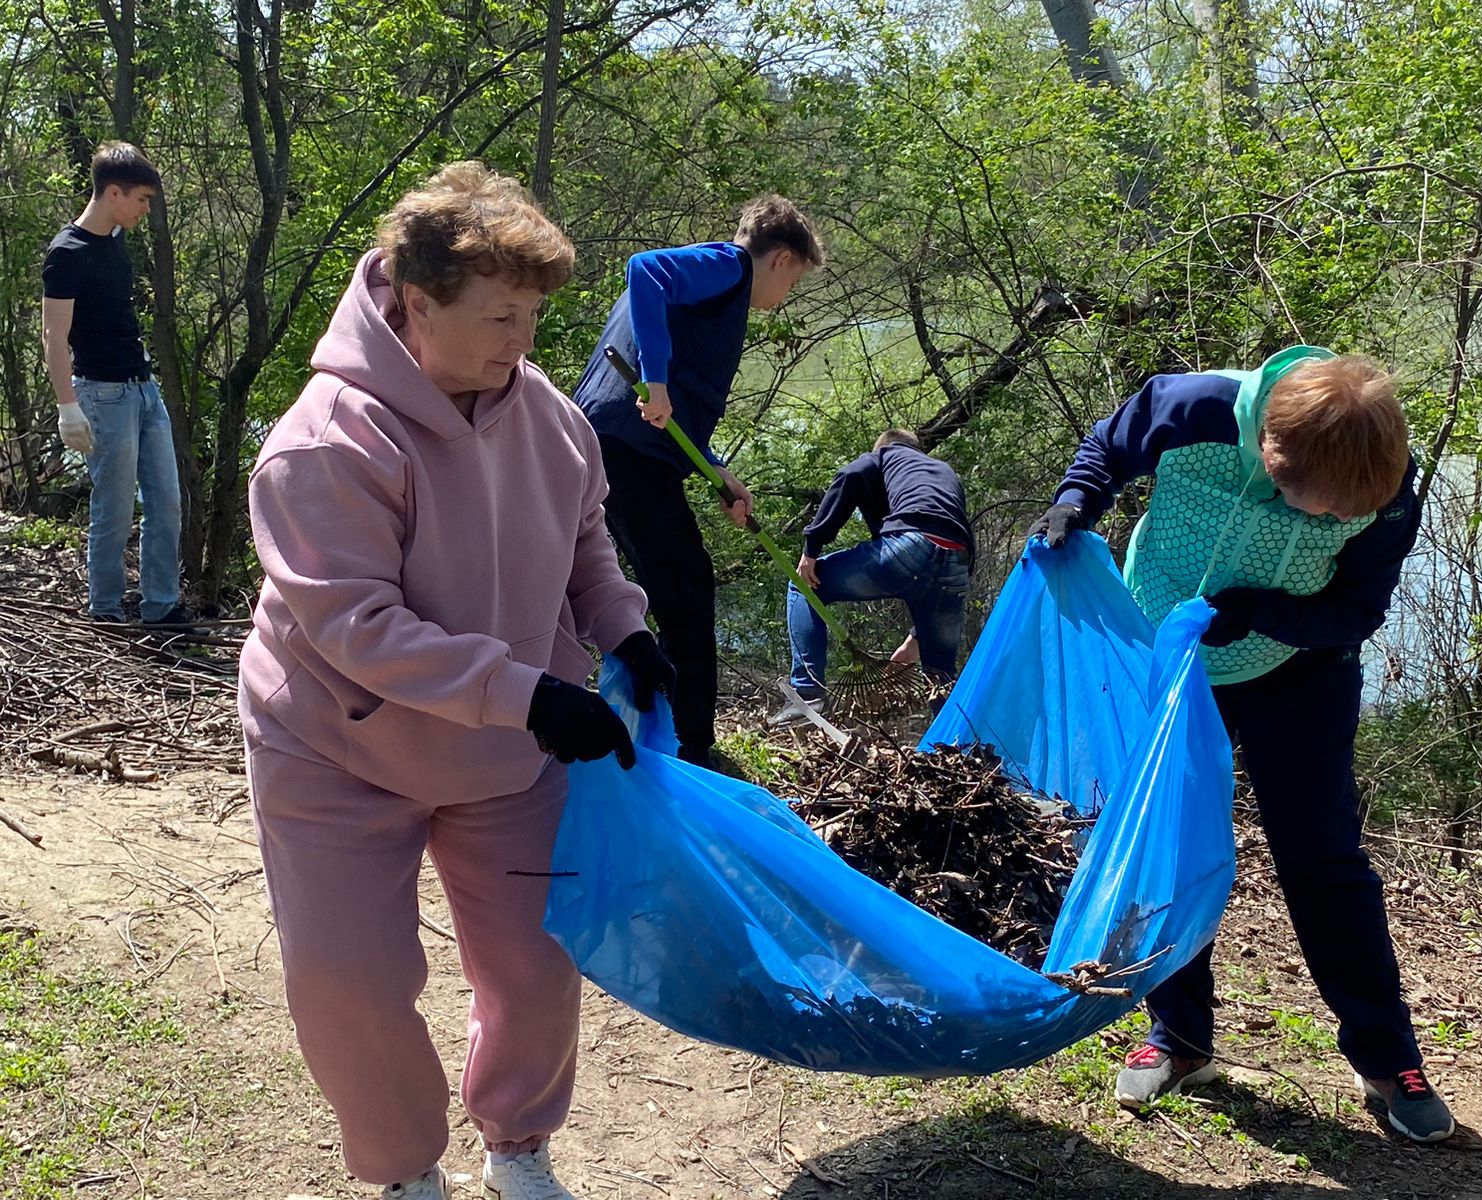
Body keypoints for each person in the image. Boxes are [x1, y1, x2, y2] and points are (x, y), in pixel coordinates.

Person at [239, 162, 675, 1200]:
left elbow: (584, 546)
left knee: (534, 968)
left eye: (530, 316)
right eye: (497, 317)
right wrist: (525, 691)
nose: (520, 341)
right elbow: (354, 625)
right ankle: (402, 1174)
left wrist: (624, 629)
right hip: (336, 749)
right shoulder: (324, 440)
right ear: (412, 301)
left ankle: (516, 1145)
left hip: (505, 752)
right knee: (353, 983)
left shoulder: (547, 417)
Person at [1033, 347, 1454, 1144]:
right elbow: (1108, 447)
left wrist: (1264, 612)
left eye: (1340, 517)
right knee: (1168, 841)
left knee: (1324, 861)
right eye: (1315, 507)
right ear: (1268, 447)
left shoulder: (1385, 483)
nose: (1328, 522)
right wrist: (1075, 503)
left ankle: (1387, 1057)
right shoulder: (1191, 408)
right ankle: (1180, 1037)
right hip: (1171, 655)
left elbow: (1357, 609)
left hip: (1298, 669)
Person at [571, 195, 824, 769]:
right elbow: (645, 268)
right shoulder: (729, 266)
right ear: (781, 258)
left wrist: (717, 473)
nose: (782, 300)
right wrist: (654, 380)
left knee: (667, 586)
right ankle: (692, 748)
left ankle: (660, 730)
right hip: (625, 449)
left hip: (629, 451)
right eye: (793, 283)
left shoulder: (717, 291)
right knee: (687, 589)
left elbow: (677, 410)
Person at [41, 141, 186, 625]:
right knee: (115, 508)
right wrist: (68, 407)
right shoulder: (67, 253)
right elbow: (53, 335)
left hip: (144, 388)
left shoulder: (116, 242)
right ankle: (104, 610)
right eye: (142, 199)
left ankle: (161, 607)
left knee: (165, 500)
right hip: (102, 395)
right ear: (114, 193)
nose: (146, 208)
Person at [773, 429, 973, 724]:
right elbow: (956, 534)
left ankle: (808, 693)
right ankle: (958, 745)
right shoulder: (944, 472)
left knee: (803, 586)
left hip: (911, 545)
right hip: (958, 564)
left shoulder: (884, 455)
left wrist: (812, 547)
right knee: (941, 675)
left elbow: (851, 475)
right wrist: (916, 639)